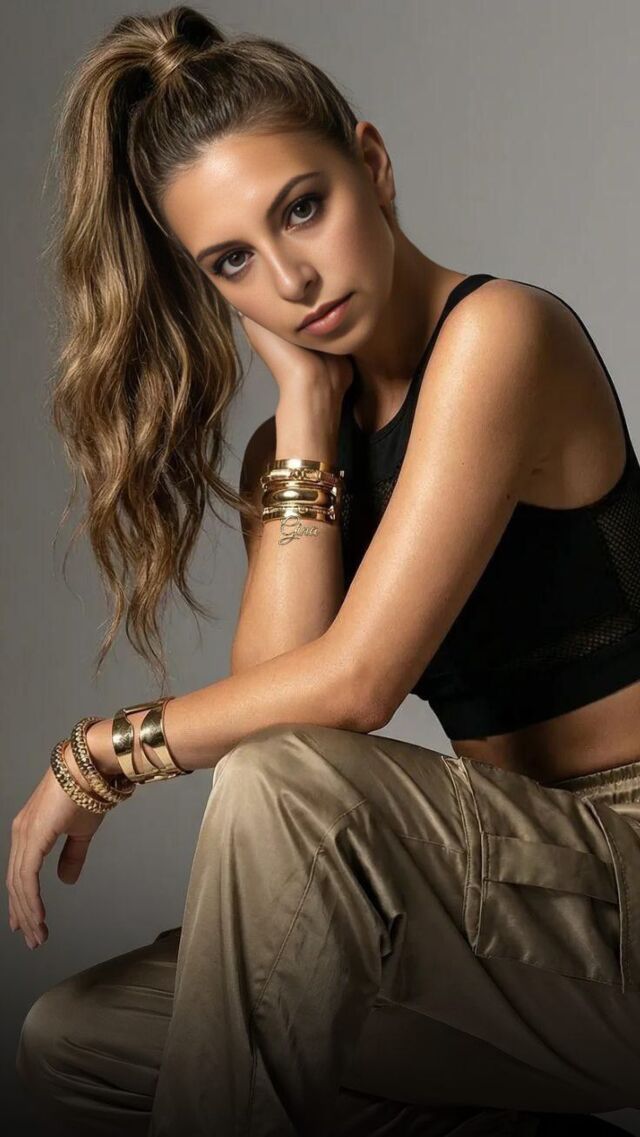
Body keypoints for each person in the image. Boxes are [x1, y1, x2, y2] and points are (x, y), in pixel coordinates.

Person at [9, 5, 640, 1136]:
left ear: (373, 165)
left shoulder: (500, 335)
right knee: (80, 1040)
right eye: (234, 262)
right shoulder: (290, 451)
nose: (292, 278)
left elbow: (349, 691)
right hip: (501, 897)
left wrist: (105, 752)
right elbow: (279, 712)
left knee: (281, 794)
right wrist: (304, 408)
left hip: (616, 887)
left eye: (302, 207)